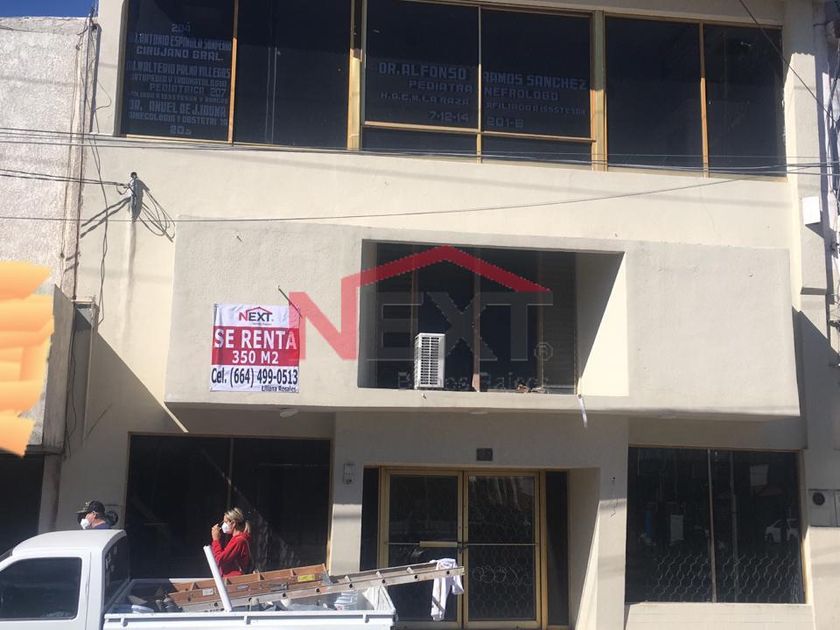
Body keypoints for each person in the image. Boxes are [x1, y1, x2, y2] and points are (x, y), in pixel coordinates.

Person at [210, 507, 252, 577]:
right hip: (231, 579)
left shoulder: (239, 540)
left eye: (225, 522)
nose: (223, 525)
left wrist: (216, 540)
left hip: (234, 580)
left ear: (233, 523)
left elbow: (220, 560)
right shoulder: (237, 539)